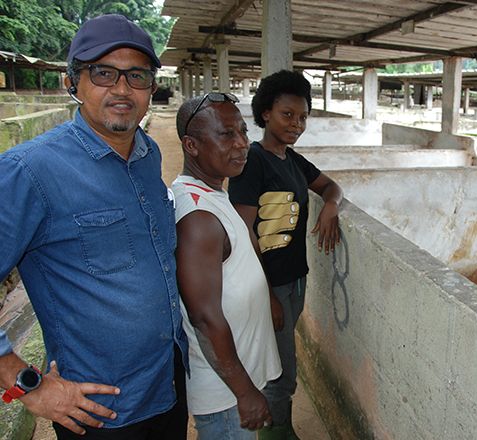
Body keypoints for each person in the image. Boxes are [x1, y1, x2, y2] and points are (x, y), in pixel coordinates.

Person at [0, 14, 188, 439]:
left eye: (136, 75)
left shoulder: (147, 153)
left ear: (150, 88)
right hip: (99, 411)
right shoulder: (29, 171)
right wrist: (27, 385)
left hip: (167, 382)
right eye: (103, 73)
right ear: (74, 83)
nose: (122, 89)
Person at [228, 70, 343, 440]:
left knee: (277, 360)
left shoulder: (292, 161)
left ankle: (277, 428)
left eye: (303, 117)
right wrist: (265, 294)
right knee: (281, 371)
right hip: (269, 282)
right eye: (287, 115)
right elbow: (243, 233)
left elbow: (332, 187)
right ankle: (275, 434)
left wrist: (330, 206)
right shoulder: (253, 162)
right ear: (265, 114)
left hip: (295, 278)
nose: (297, 124)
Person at [172, 93, 282, 440]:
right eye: (226, 135)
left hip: (234, 382)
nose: (241, 144)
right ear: (191, 145)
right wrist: (245, 392)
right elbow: (204, 317)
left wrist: (267, 297)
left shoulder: (213, 193)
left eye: (243, 132)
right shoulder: (198, 217)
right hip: (226, 395)